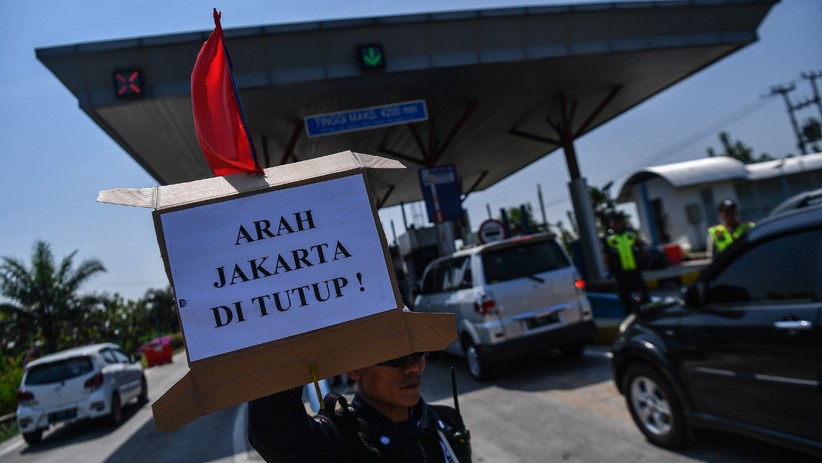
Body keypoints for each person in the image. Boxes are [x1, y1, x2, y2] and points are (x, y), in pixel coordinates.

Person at [247, 351, 471, 462]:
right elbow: (276, 434)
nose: (413, 367)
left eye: (418, 354)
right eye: (395, 357)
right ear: (354, 368)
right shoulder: (337, 440)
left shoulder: (446, 421)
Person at [602, 213, 650, 315]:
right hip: (620, 270)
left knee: (641, 289)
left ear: (622, 223)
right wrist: (608, 269)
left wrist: (643, 258)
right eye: (613, 223)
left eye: (617, 222)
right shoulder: (609, 237)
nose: (615, 225)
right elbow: (606, 255)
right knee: (624, 293)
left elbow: (641, 247)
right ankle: (630, 312)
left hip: (634, 268)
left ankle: (647, 308)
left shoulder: (630, 234)